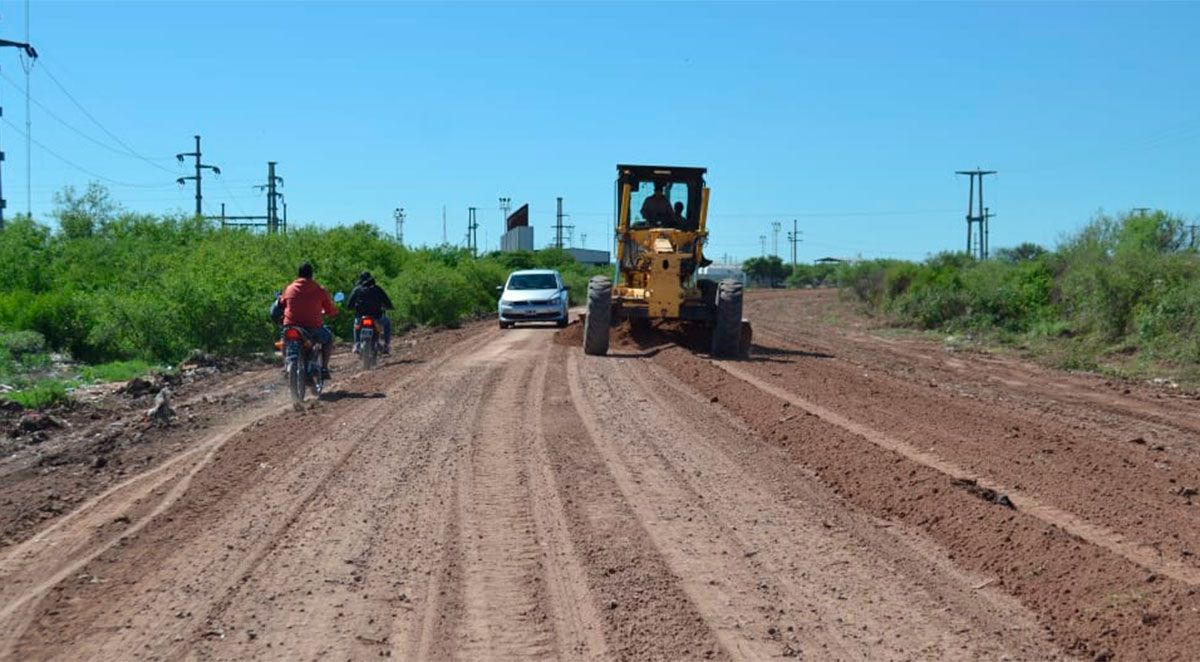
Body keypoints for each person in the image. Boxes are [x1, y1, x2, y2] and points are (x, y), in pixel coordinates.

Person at [279, 261, 337, 380]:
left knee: (284, 341)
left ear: (298, 274)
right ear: (311, 274)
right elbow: (330, 309)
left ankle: (286, 365)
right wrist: (332, 313)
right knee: (329, 339)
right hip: (312, 327)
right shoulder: (320, 290)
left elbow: (282, 303)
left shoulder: (289, 288)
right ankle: (324, 368)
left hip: (291, 326)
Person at [347, 271, 395, 354]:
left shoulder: (357, 289)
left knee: (356, 326)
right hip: (377, 317)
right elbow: (386, 301)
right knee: (387, 323)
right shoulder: (377, 289)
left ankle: (357, 344)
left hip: (361, 317)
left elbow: (349, 305)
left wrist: (351, 307)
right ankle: (386, 345)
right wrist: (390, 307)